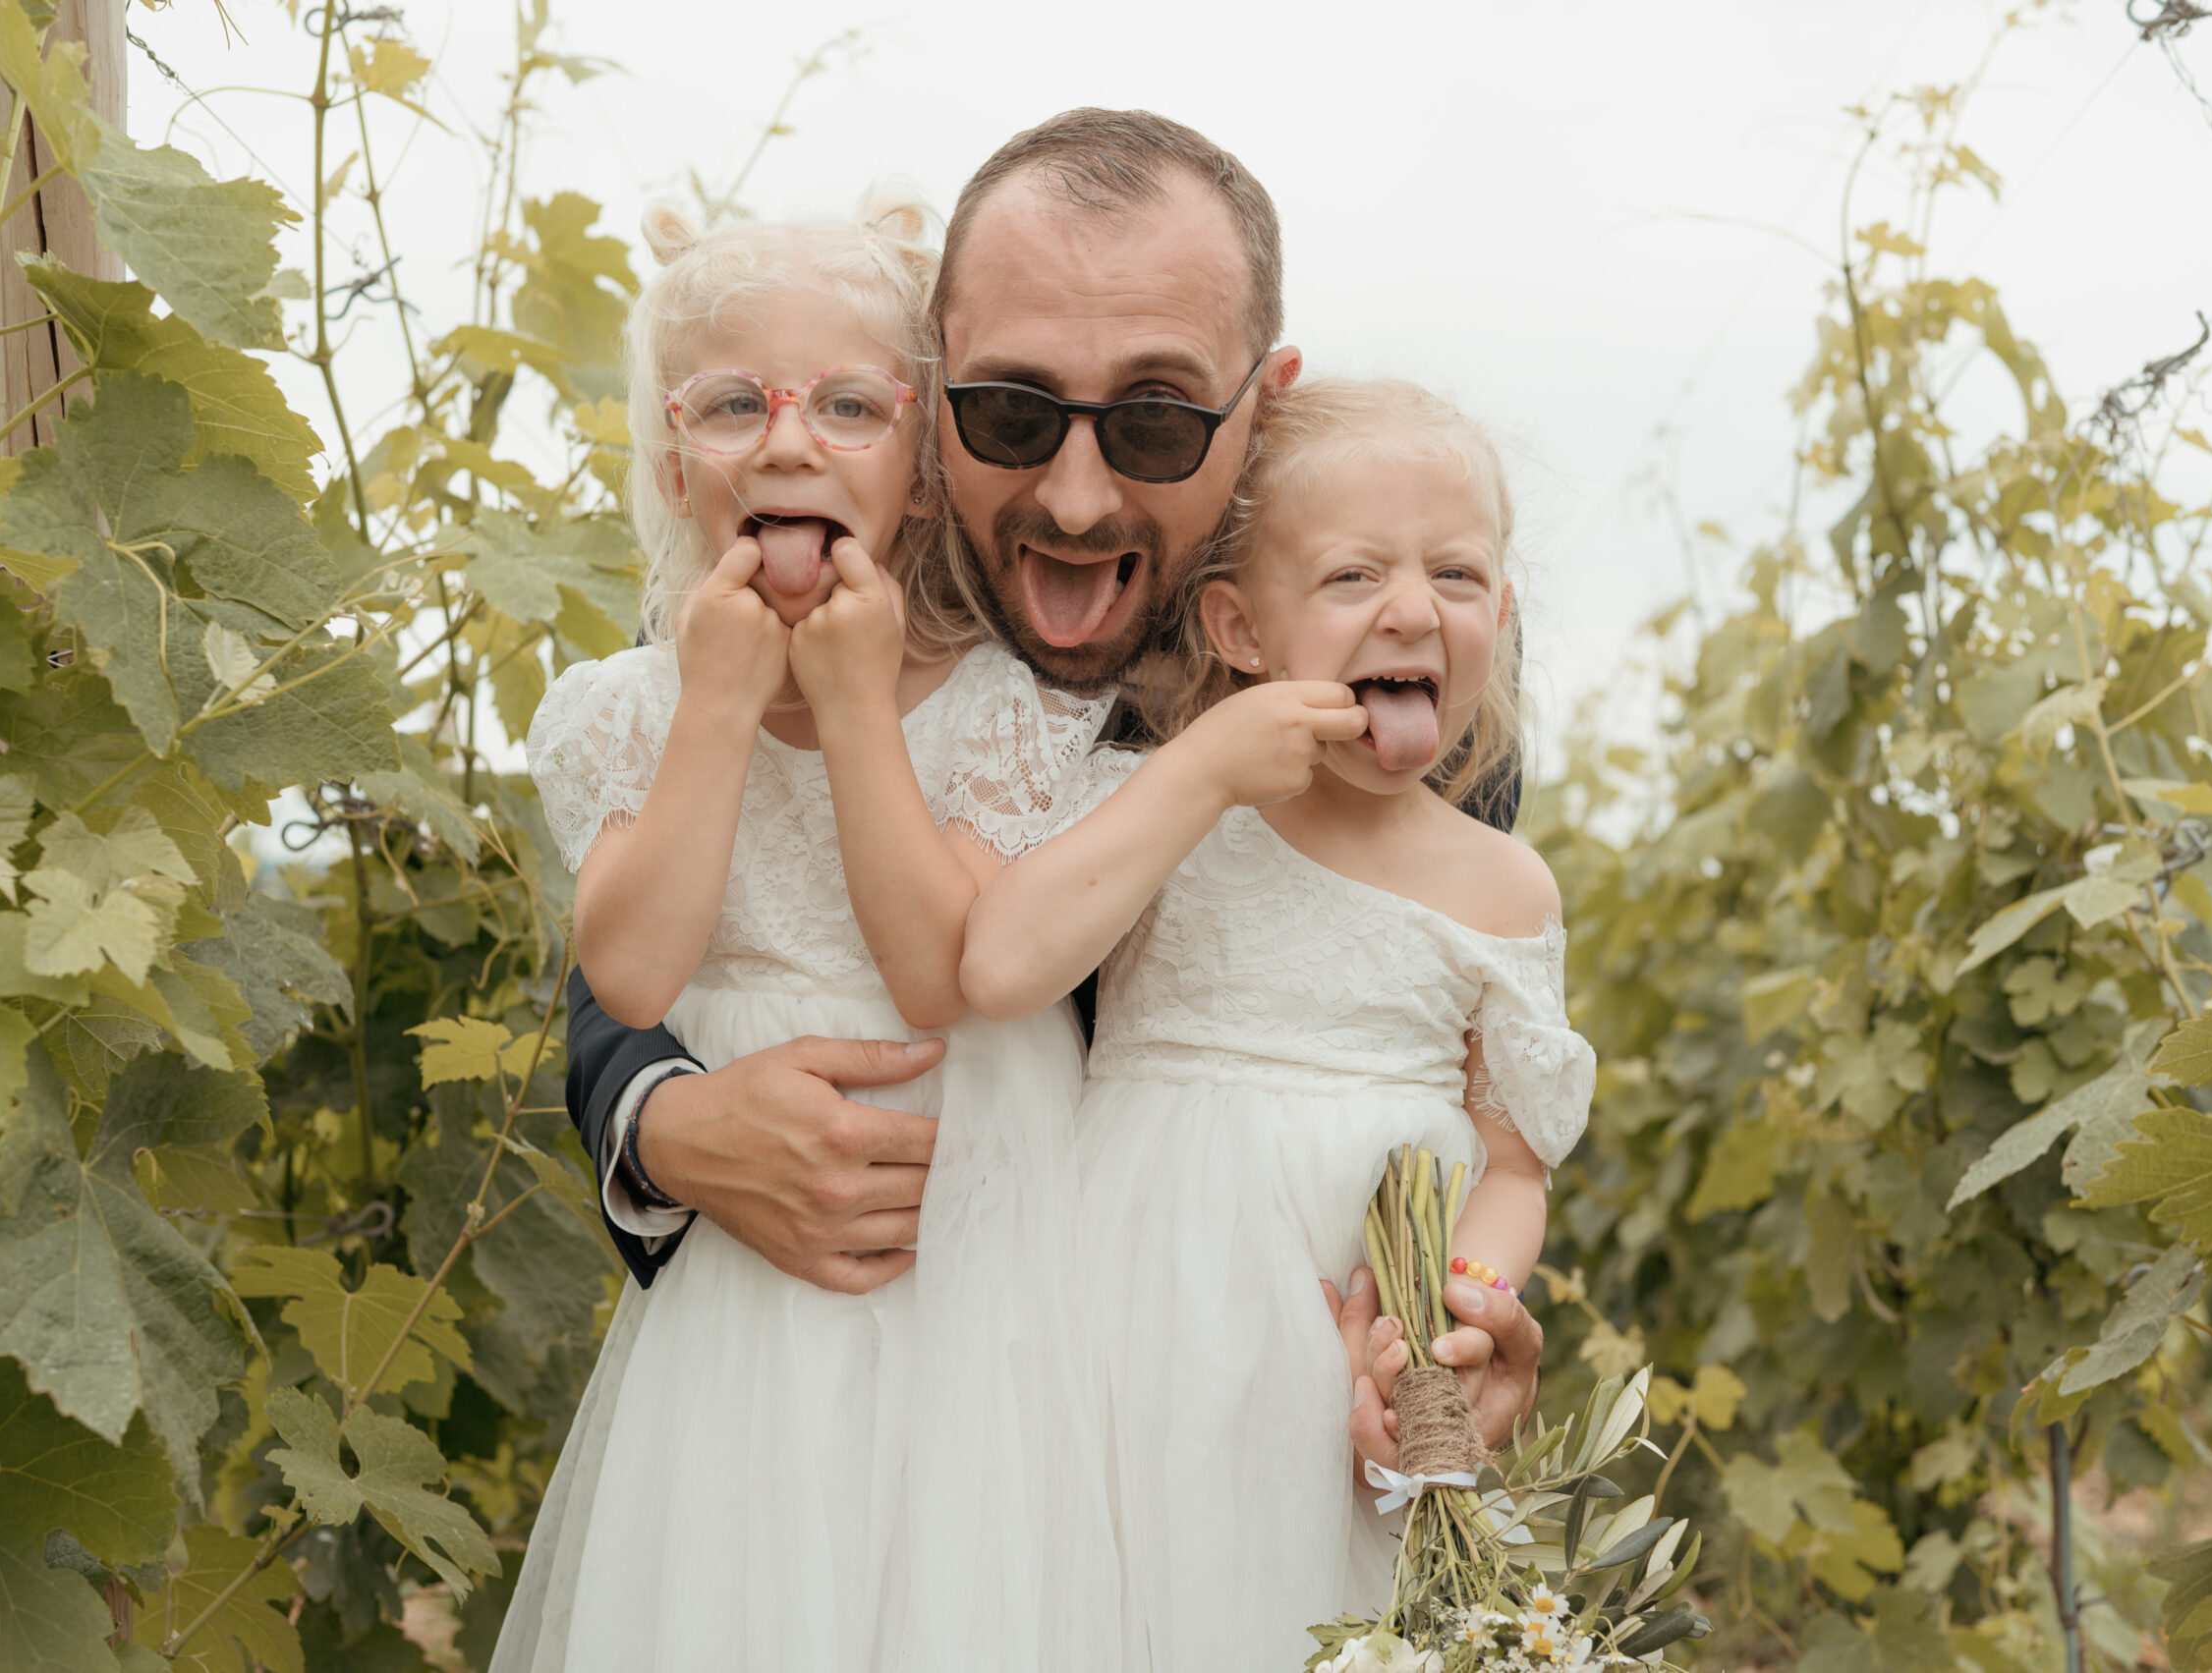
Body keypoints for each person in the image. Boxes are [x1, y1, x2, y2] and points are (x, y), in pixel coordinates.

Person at [558, 109, 1551, 1463]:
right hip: (865, 1404)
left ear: (1260, 403)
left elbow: (1452, 1076)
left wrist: (1471, 1321)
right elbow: (667, 915)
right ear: (931, 391)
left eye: (1153, 420)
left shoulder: (1401, 698)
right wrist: (660, 1124)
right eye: (1015, 412)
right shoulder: (786, 621)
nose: (1077, 499)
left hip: (1225, 1412)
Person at [492, 195, 1116, 1671]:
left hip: (982, 1271)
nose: (786, 444)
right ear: (669, 459)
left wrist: (849, 702)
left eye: (848, 406)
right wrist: (714, 701)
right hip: (747, 1300)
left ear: (916, 470)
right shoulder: (620, 712)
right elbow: (633, 976)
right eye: (733, 406)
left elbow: (936, 970)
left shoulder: (995, 709)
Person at [958, 378, 1594, 1669]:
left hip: (1350, 1356)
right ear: (1242, 627)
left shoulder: (1503, 886)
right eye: (1355, 576)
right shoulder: (1166, 811)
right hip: (1139, 1310)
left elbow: (1514, 1164)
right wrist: (1194, 778)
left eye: (1459, 578)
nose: (1414, 609)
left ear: (1502, 617)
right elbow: (1008, 958)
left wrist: (1454, 1320)